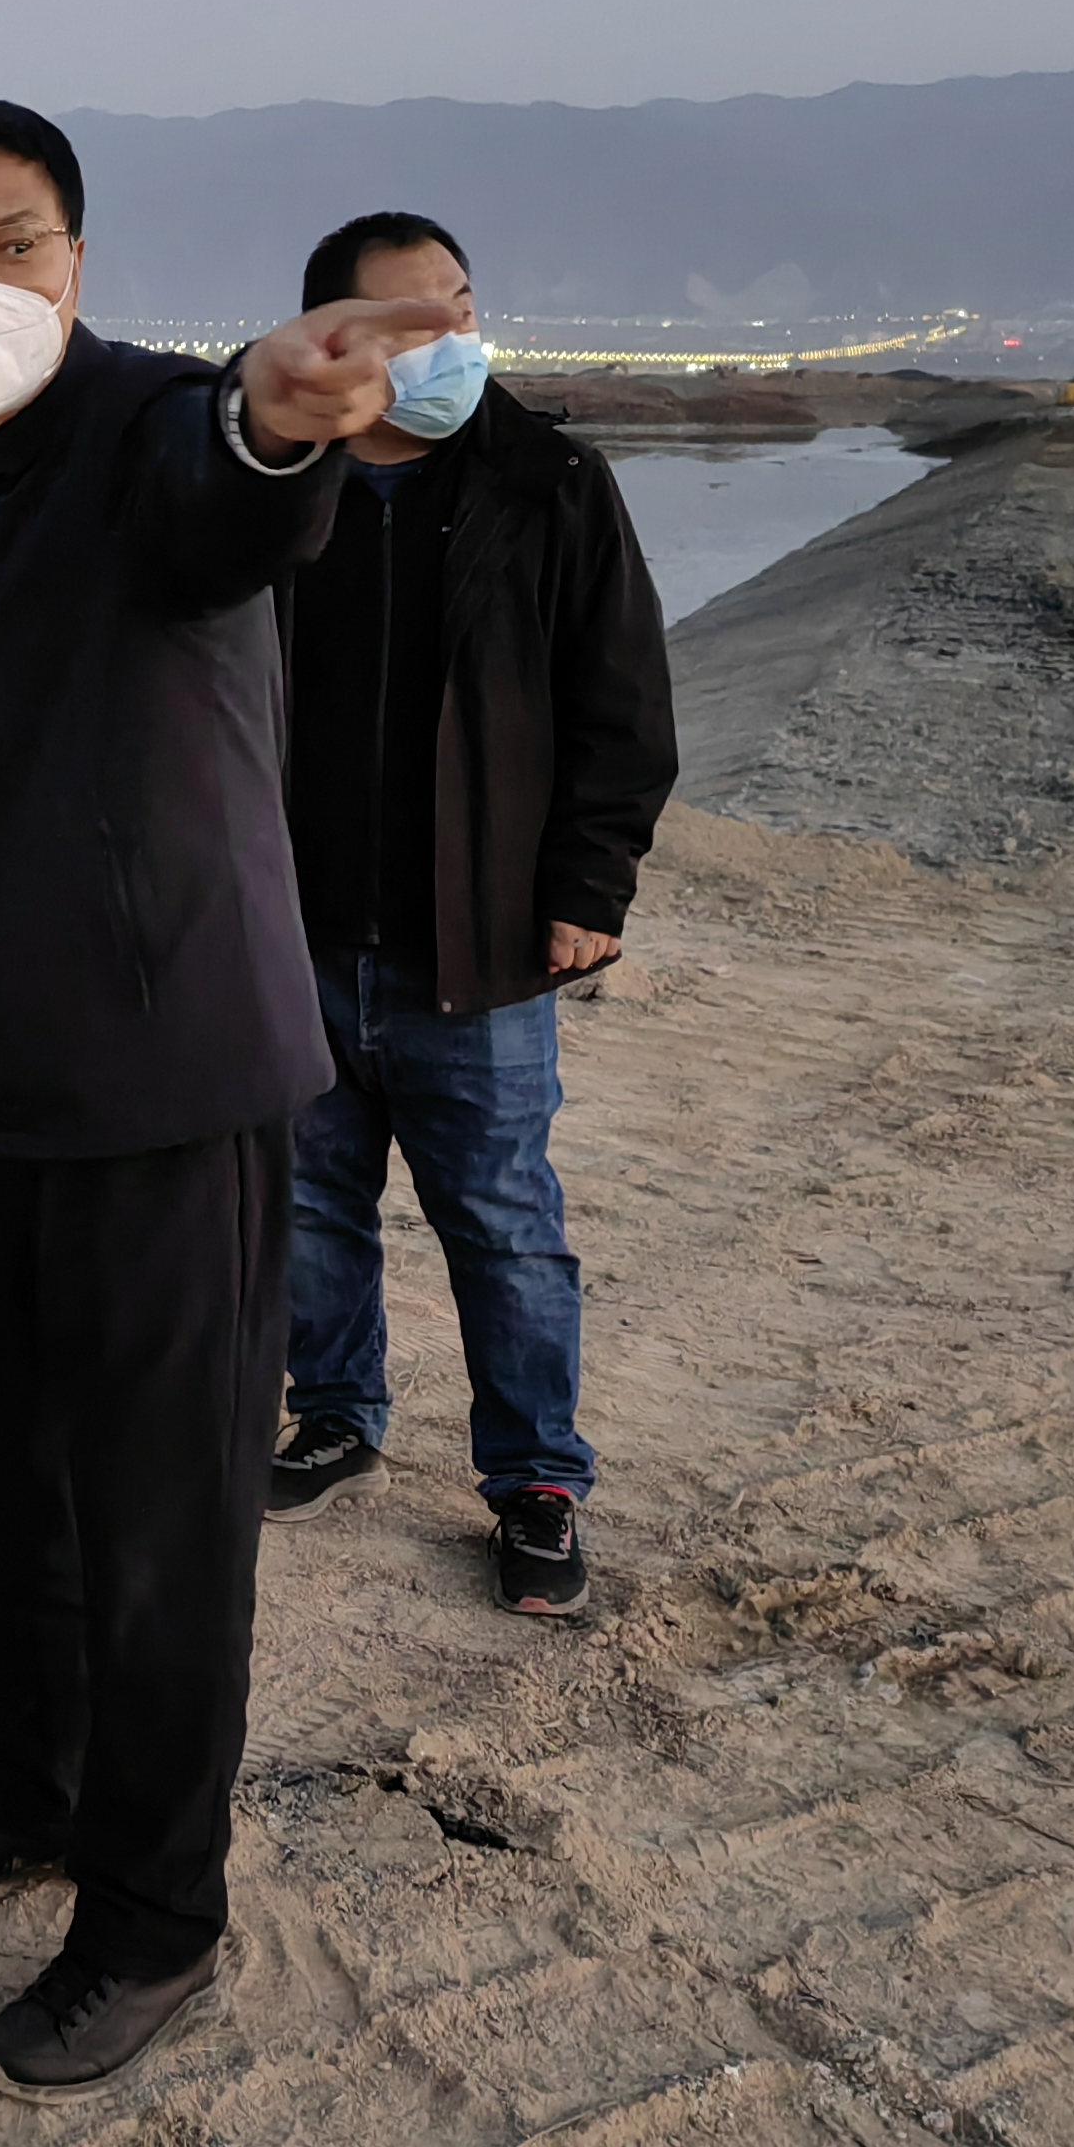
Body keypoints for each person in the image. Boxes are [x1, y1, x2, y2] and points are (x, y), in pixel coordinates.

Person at [0, 102, 452, 2101]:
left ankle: (155, 1917)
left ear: (79, 267)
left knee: (161, 1530)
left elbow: (233, 494)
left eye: (13, 242)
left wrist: (276, 424)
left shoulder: (139, 426)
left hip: (166, 1081)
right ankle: (40, 1792)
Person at [268, 214, 675, 1616]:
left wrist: (588, 886)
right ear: (334, 339)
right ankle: (335, 1415)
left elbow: (622, 701)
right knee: (308, 1204)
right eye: (410, 320)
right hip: (296, 930)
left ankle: (537, 1482)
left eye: (459, 306)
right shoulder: (278, 485)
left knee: (503, 1223)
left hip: (479, 938)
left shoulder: (545, 481)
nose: (449, 338)